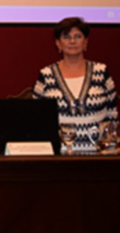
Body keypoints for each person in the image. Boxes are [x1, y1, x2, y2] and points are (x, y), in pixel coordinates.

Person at [32, 17, 117, 152]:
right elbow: (37, 120)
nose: (72, 41)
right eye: (66, 37)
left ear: (86, 42)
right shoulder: (46, 75)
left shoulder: (101, 72)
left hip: (98, 156)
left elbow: (112, 117)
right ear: (58, 43)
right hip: (59, 157)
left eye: (78, 36)